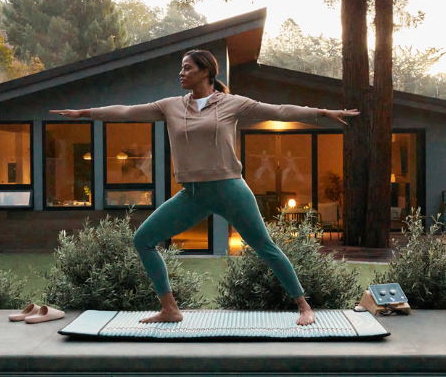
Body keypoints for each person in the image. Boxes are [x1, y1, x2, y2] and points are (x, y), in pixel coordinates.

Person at [50, 49, 358, 325]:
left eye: (187, 68)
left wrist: (322, 113)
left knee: (265, 247)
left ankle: (304, 306)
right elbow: (127, 111)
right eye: (181, 69)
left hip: (230, 189)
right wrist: (85, 114)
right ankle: (170, 309)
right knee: (143, 239)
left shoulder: (231, 104)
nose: (181, 74)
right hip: (193, 193)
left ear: (206, 72)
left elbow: (279, 111)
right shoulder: (170, 106)